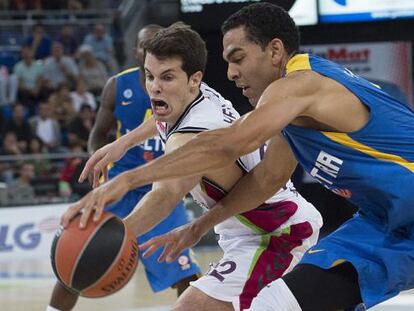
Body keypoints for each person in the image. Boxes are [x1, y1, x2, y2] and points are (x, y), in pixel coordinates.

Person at [63, 3, 414, 311]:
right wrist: (199, 224)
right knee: (280, 303)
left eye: (238, 58)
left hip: (335, 225)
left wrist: (127, 178)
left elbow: (227, 144)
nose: (231, 73)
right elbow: (267, 178)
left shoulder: (299, 86)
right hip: (383, 224)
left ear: (275, 51)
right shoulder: (286, 113)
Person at [65, 22, 322, 311]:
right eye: (150, 76)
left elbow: (166, 193)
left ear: (193, 78)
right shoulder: (194, 94)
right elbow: (162, 120)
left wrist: (116, 237)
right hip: (251, 230)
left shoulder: (193, 136)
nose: (155, 87)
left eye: (167, 77)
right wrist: (123, 143)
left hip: (277, 234)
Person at [46, 24, 201, 311]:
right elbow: (98, 132)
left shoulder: (183, 88)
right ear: (136, 51)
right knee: (76, 259)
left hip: (162, 188)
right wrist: (97, 160)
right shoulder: (118, 85)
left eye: (157, 45)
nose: (151, 51)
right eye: (145, 46)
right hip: (117, 185)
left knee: (185, 272)